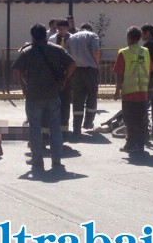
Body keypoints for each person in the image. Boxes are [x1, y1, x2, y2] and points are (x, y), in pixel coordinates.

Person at [12, 23, 76, 170]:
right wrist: (64, 80)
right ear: (46, 35)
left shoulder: (27, 52)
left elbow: (16, 73)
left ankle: (37, 160)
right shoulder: (57, 49)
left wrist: (23, 87)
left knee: (35, 128)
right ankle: (57, 160)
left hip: (33, 95)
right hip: (53, 94)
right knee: (55, 127)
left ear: (32, 36)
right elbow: (72, 64)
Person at [113, 26, 152, 153]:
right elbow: (150, 69)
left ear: (129, 38)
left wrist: (117, 91)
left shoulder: (123, 52)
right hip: (143, 92)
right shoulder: (145, 51)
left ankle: (130, 144)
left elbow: (119, 73)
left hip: (129, 93)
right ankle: (140, 144)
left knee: (129, 120)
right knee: (140, 119)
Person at [65, 22, 101, 136]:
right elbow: (95, 51)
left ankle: (76, 127)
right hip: (90, 69)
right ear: (90, 29)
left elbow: (67, 54)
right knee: (92, 96)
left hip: (76, 70)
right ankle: (88, 122)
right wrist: (97, 64)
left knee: (77, 98)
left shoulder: (71, 38)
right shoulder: (92, 35)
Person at [48, 18, 73, 138]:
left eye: (64, 28)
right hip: (55, 73)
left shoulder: (73, 39)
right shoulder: (52, 39)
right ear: (56, 28)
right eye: (59, 28)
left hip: (68, 71)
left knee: (66, 102)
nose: (62, 31)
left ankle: (64, 128)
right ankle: (52, 127)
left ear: (68, 28)